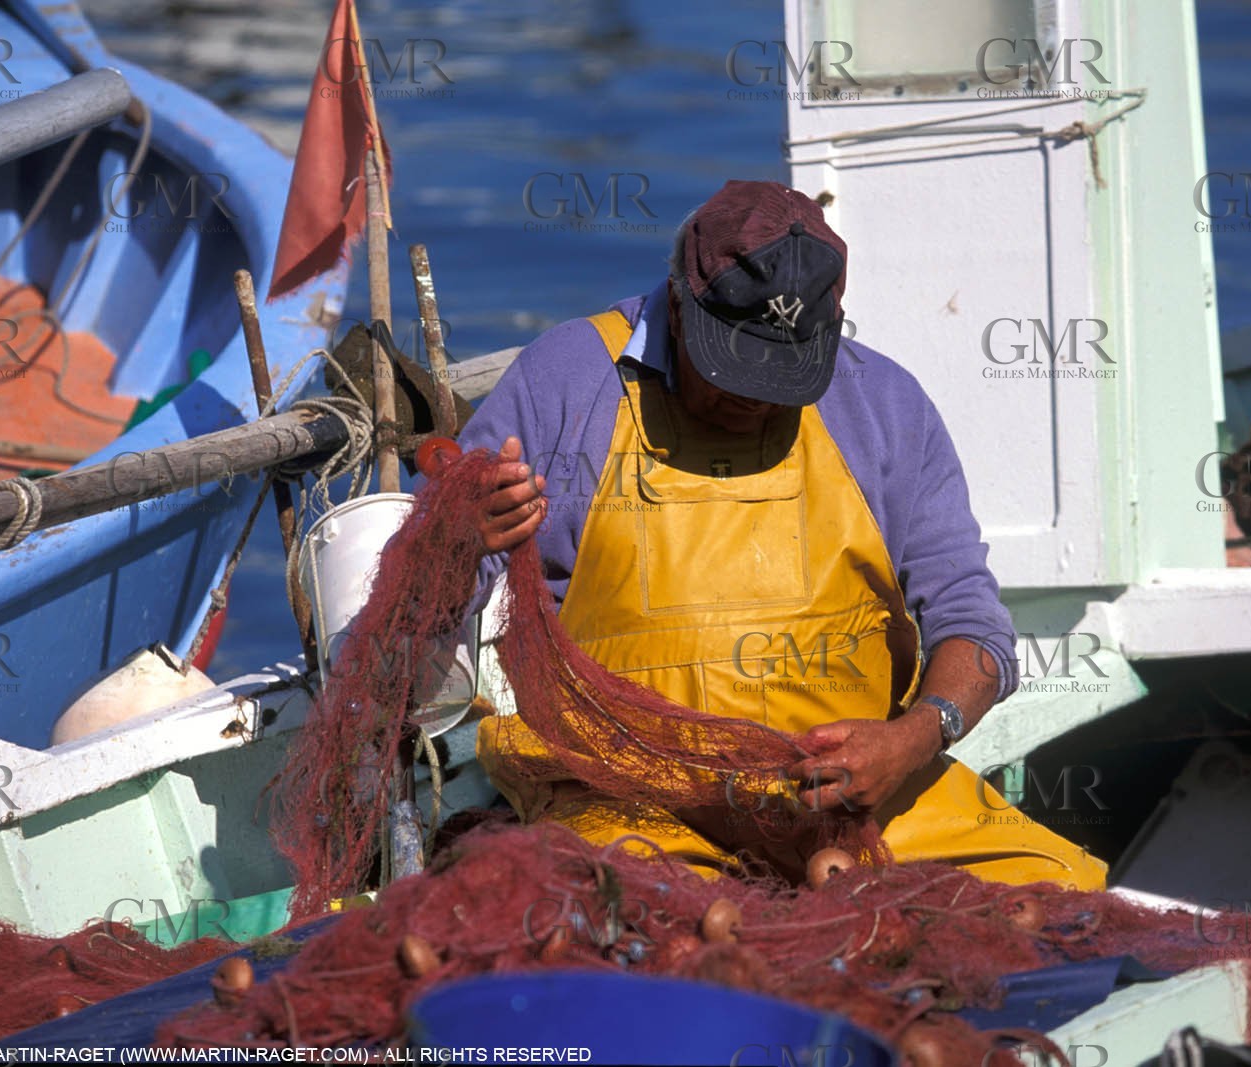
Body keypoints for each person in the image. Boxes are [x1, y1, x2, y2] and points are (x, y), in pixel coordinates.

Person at [457, 179, 1106, 890]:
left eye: (781, 376)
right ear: (678, 302)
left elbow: (976, 629)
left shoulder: (885, 406)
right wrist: (465, 539)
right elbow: (425, 602)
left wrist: (914, 736)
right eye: (731, 366)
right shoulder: (568, 381)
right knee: (630, 920)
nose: (751, 396)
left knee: (1059, 887)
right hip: (625, 801)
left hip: (851, 806)